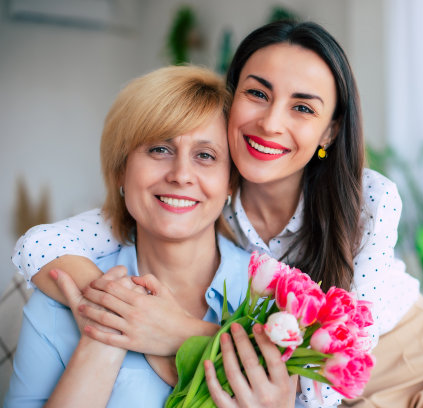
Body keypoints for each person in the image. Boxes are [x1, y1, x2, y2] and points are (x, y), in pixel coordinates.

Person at [12, 21, 423, 407]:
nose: (270, 122)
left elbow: (323, 386)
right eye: (257, 93)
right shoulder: (205, 184)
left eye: (303, 109)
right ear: (231, 100)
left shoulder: (367, 203)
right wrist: (112, 310)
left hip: (415, 362)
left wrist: (180, 331)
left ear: (330, 132)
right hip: (301, 377)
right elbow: (36, 247)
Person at [6, 65, 297, 408]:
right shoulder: (58, 296)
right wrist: (104, 336)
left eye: (205, 155)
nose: (181, 175)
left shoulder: (275, 305)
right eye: (159, 149)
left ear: (230, 181)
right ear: (120, 169)